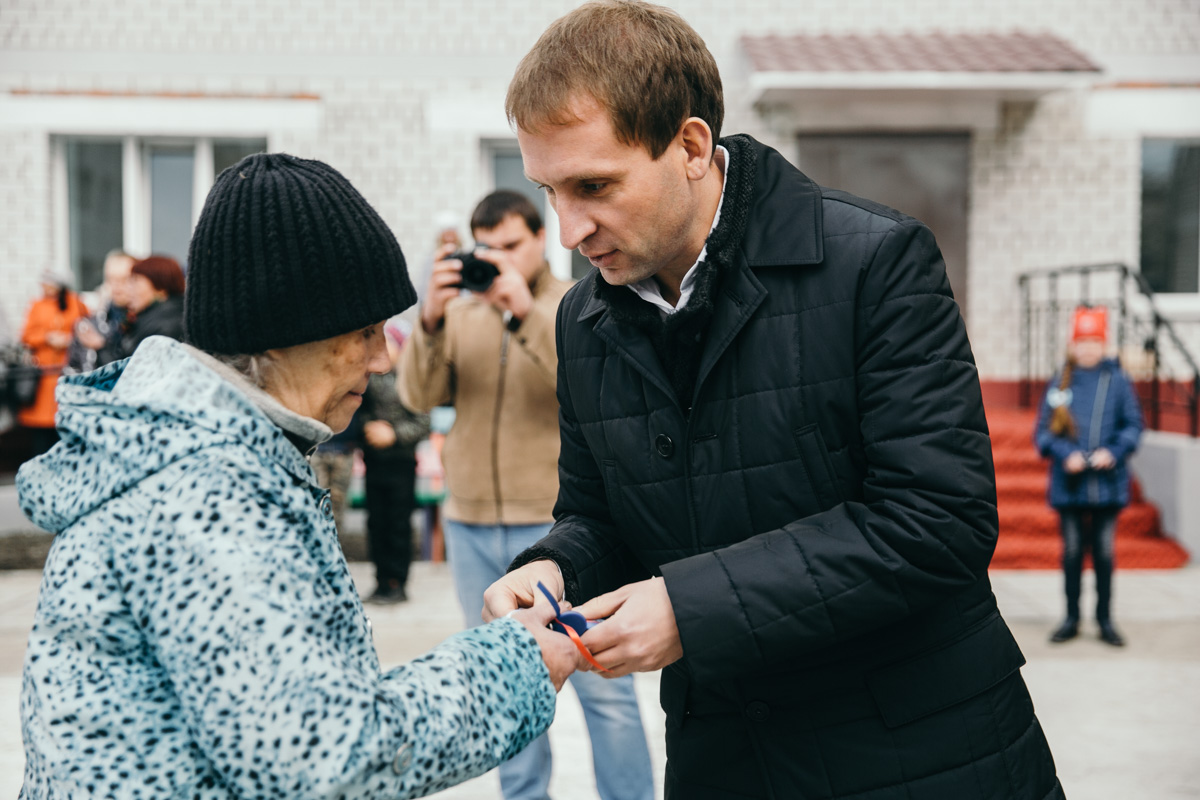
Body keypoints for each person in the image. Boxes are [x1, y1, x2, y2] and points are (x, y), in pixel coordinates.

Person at [483, 2, 1063, 798]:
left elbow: (938, 522)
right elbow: (601, 513)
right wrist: (553, 565)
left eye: (594, 185)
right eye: (548, 190)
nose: (570, 229)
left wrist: (688, 610)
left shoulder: (875, 263)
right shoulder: (582, 321)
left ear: (689, 146)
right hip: (726, 759)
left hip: (919, 756)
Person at [16, 153, 577, 798]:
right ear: (279, 331)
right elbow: (325, 758)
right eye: (365, 331)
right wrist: (515, 663)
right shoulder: (204, 494)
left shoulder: (200, 451)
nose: (380, 359)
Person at [399, 189, 654, 800]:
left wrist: (523, 312)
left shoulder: (583, 302)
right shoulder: (462, 314)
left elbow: (589, 388)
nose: (499, 260)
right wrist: (430, 322)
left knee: (602, 684)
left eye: (511, 245)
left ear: (540, 238)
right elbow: (418, 396)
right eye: (487, 248)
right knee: (510, 679)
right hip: (470, 521)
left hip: (557, 531)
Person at [1035, 305, 1143, 648]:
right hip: (1069, 485)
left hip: (1107, 485)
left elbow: (1134, 425)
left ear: (1104, 344)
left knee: (1105, 554)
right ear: (1073, 345)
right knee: (1071, 553)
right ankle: (1071, 618)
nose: (1088, 349)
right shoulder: (1060, 382)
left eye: (1094, 341)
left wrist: (1113, 451)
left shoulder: (1118, 381)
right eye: (1082, 342)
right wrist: (1066, 455)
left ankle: (1105, 620)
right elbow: (1043, 434)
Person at [360, 318, 430, 604]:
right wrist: (368, 429)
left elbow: (423, 422)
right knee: (376, 523)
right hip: (374, 461)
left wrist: (393, 434)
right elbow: (360, 411)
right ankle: (380, 582)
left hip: (401, 462)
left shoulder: (413, 380)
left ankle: (397, 582)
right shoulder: (371, 378)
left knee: (398, 523)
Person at [18, 270, 88, 457]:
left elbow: (87, 328)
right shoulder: (37, 305)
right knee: (41, 428)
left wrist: (69, 339)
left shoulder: (75, 303)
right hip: (43, 373)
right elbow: (26, 335)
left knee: (64, 420)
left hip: (67, 370)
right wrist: (47, 337)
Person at [94, 254, 186, 364]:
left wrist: (100, 347)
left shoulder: (163, 328)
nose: (129, 289)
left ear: (160, 289)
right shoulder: (146, 319)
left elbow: (128, 373)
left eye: (135, 283)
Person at [71, 248, 135, 372]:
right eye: (111, 279)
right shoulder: (91, 324)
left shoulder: (142, 322)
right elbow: (73, 367)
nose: (116, 287)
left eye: (124, 280)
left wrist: (101, 347)